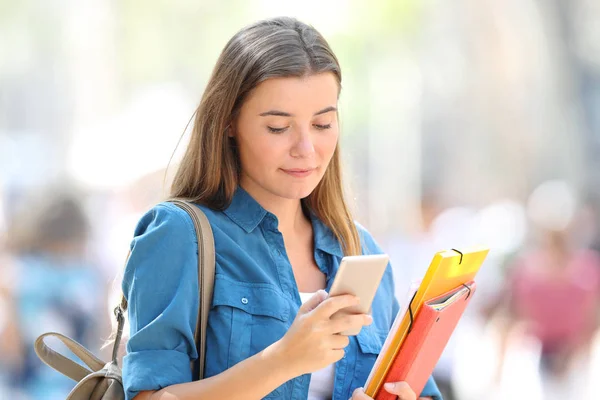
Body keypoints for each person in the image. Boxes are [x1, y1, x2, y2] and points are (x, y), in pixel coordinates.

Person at [121, 17, 442, 400]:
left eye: (323, 124)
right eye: (278, 127)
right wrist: (282, 361)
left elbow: (417, 387)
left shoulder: (360, 249)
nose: (306, 149)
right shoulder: (179, 234)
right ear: (228, 123)